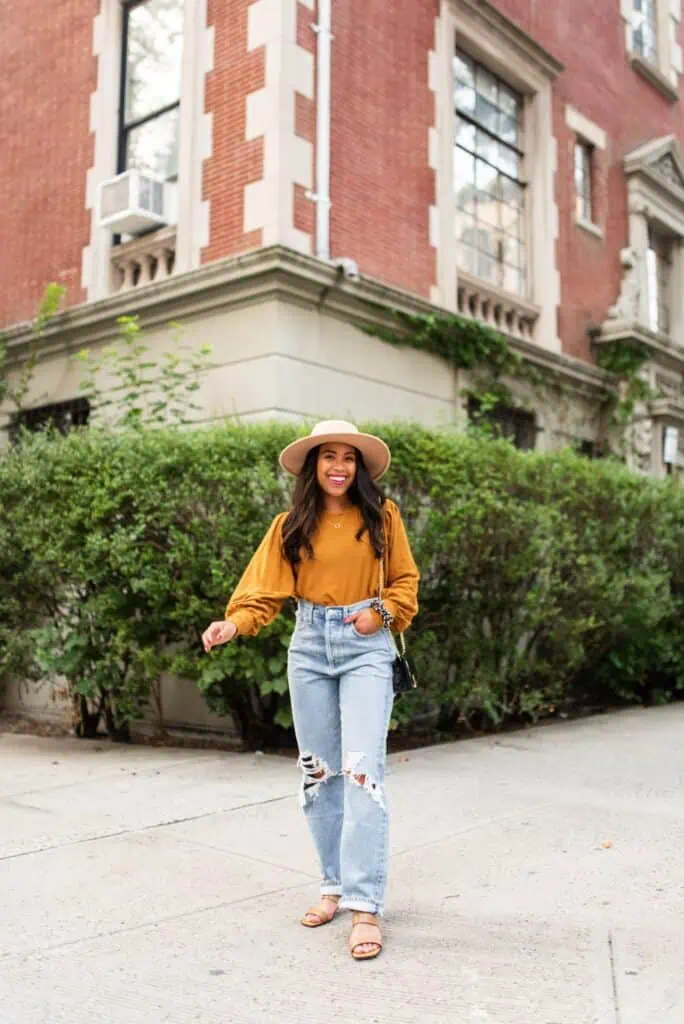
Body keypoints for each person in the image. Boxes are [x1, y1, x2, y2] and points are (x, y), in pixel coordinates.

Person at [202, 420, 419, 961]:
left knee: (364, 773)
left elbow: (405, 584)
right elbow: (263, 592)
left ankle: (365, 906)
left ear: (360, 467)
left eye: (349, 457)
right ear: (313, 467)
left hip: (364, 644)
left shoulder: (382, 517)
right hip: (308, 644)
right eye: (329, 457)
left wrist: (380, 615)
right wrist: (234, 624)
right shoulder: (290, 525)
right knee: (318, 774)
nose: (340, 466)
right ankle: (333, 888)